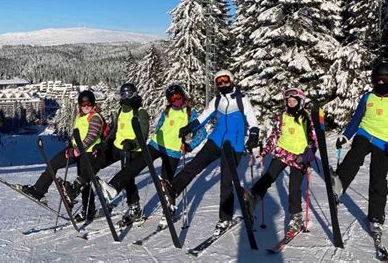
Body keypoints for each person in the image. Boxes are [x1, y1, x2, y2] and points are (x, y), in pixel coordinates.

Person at [156, 70, 260, 235]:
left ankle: (225, 218)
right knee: (195, 165)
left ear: (232, 81)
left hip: (234, 146)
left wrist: (254, 135)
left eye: (226, 80)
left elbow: (252, 120)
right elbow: (202, 118)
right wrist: (188, 128)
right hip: (216, 141)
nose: (223, 84)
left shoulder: (242, 100)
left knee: (226, 182)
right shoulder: (216, 100)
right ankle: (173, 189)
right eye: (219, 81)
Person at [97, 84, 206, 226]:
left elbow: (202, 133)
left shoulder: (191, 113)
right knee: (134, 166)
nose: (176, 102)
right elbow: (161, 125)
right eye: (172, 100)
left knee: (166, 184)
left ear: (183, 96)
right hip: (155, 145)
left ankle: (168, 209)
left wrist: (189, 146)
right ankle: (114, 187)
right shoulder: (167, 111)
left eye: (178, 98)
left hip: (172, 151)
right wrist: (157, 134)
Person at [332, 61, 388, 237]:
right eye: (377, 79)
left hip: (384, 142)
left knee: (378, 178)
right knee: (354, 156)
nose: (381, 82)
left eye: (384, 78)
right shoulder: (368, 97)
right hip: (365, 133)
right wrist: (346, 136)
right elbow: (356, 118)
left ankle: (376, 217)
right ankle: (337, 187)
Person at [60, 83, 149, 224]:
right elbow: (115, 130)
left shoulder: (140, 112)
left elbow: (143, 134)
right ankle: (76, 187)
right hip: (117, 146)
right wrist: (104, 144)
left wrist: (132, 143)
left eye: (129, 94)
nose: (126, 97)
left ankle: (134, 208)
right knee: (96, 162)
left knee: (127, 179)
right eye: (123, 94)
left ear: (135, 94)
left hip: (132, 150)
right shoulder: (121, 110)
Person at [243, 88, 317, 237]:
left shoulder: (306, 118)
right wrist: (265, 151)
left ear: (300, 102)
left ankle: (296, 218)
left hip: (299, 156)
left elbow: (313, 140)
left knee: (294, 187)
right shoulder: (282, 117)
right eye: (288, 101)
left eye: (294, 101)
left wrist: (307, 156)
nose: (291, 104)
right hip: (283, 152)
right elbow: (274, 136)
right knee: (269, 176)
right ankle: (252, 198)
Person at [21, 90, 105, 221]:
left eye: (89, 103)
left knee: (84, 182)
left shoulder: (95, 117)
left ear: (93, 104)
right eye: (83, 104)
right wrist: (72, 146)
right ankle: (39, 190)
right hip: (75, 149)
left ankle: (89, 210)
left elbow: (91, 137)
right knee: (53, 163)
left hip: (88, 152)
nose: (86, 106)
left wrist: (77, 150)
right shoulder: (80, 116)